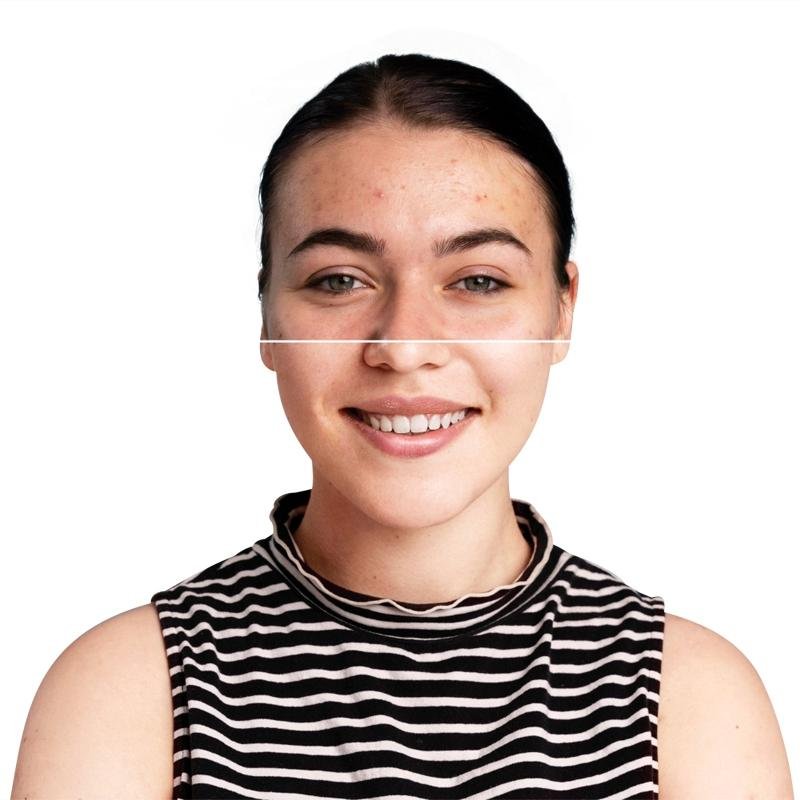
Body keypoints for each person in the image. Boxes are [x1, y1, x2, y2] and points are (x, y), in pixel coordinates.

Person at [11, 53, 792, 800]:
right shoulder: (128, 691)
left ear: (562, 310)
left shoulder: (688, 702)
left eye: (479, 280)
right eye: (339, 280)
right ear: (266, 312)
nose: (405, 345)